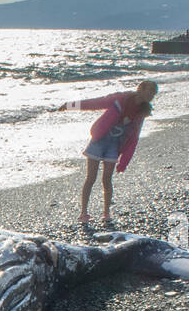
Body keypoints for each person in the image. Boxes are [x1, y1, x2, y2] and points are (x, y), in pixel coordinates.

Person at [57, 80, 157, 226]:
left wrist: (124, 162)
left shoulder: (142, 112)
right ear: (140, 89)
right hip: (99, 141)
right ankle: (83, 213)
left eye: (154, 94)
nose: (151, 96)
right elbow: (94, 103)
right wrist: (69, 105)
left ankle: (106, 213)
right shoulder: (119, 99)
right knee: (91, 178)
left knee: (107, 180)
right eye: (150, 92)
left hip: (114, 146)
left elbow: (134, 138)